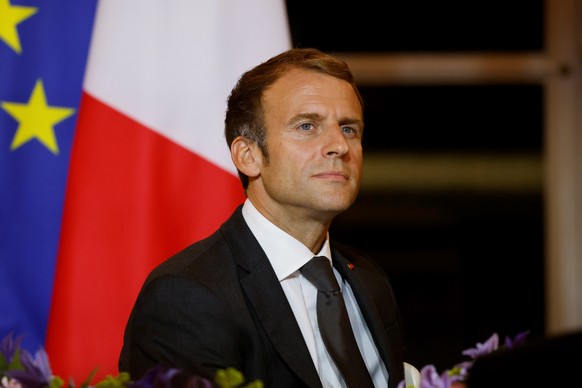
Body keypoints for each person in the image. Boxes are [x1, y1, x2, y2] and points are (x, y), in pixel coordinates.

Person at [118, 47, 405, 388]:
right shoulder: (187, 295)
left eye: (348, 129)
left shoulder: (368, 279)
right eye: (307, 126)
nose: (339, 146)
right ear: (248, 156)